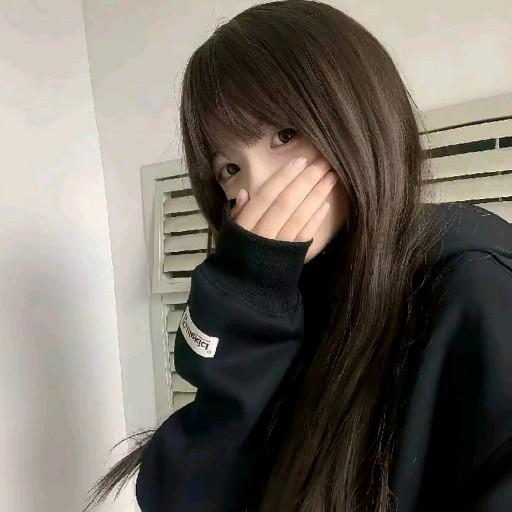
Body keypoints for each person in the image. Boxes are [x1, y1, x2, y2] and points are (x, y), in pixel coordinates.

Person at [83, 1, 512, 511]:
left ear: (358, 115)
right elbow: (181, 494)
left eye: (284, 136)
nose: (256, 189)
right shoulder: (278, 299)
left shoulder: (473, 284)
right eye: (229, 170)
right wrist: (245, 319)